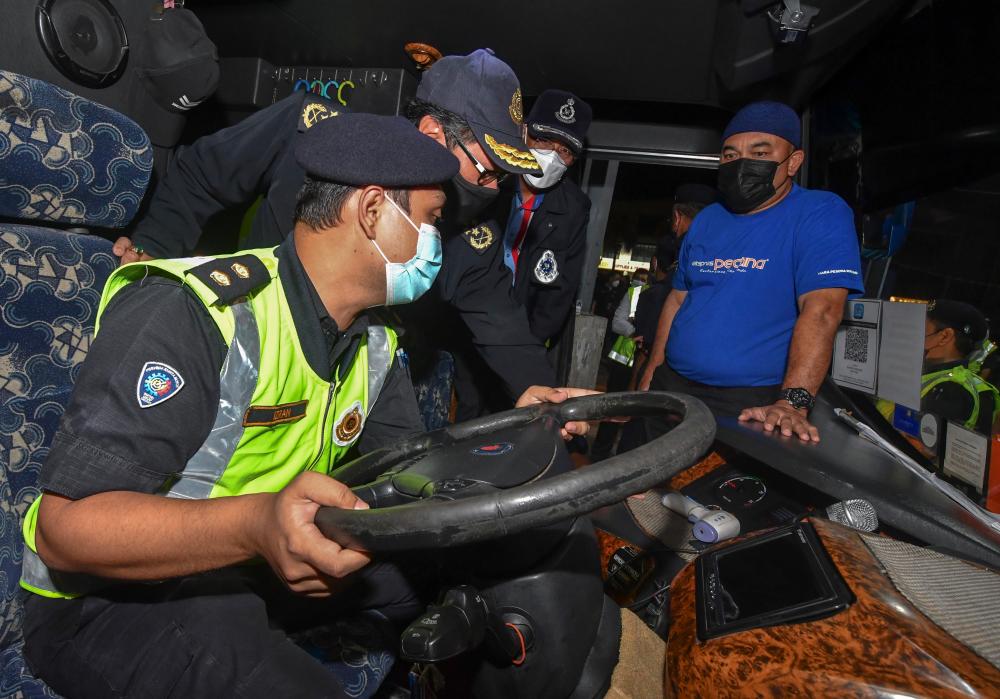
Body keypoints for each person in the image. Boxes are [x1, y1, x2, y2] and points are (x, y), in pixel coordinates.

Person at [21, 114, 589, 698]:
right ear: (372, 212)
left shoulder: (374, 343)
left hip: (252, 565)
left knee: (448, 569)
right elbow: (66, 532)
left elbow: (413, 474)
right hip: (108, 600)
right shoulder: (194, 311)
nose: (436, 243)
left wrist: (521, 432)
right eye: (430, 221)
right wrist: (255, 526)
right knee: (234, 638)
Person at [114, 49, 557, 404]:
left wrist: (545, 393)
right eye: (486, 170)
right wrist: (155, 249)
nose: (491, 188)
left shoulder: (472, 237)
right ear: (432, 134)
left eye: (502, 177)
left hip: (354, 385)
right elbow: (202, 175)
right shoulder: (313, 133)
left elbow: (505, 329)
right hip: (239, 346)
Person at [638, 101, 863, 442]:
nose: (741, 163)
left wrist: (793, 403)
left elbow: (823, 311)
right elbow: (678, 300)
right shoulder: (709, 219)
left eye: (760, 153)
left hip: (749, 401)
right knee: (647, 487)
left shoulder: (819, 213)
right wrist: (651, 373)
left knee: (712, 494)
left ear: (793, 162)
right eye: (730, 155)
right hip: (672, 385)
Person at [504, 89, 593, 345]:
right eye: (543, 140)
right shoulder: (491, 183)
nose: (551, 156)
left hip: (520, 334)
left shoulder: (574, 209)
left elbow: (559, 292)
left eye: (564, 151)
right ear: (524, 133)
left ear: (573, 160)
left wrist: (527, 346)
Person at [879, 300, 1000, 436]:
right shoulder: (927, 374)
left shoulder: (952, 391)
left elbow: (918, 448)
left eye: (922, 328)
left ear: (944, 337)